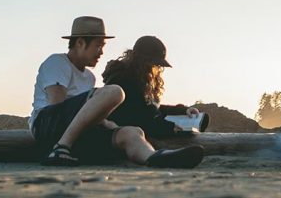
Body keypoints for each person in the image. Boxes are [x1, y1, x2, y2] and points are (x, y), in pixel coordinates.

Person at [28, 16, 204, 168]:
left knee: (132, 132)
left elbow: (85, 113)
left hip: (77, 135)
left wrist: (108, 125)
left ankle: (155, 158)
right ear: (80, 43)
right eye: (98, 46)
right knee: (115, 92)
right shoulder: (57, 63)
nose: (101, 52)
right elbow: (57, 107)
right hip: (47, 129)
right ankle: (60, 149)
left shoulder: (89, 77)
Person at [102, 36, 207, 139]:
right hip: (123, 137)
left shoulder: (138, 78)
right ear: (143, 61)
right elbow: (137, 119)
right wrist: (170, 128)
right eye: (155, 64)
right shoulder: (124, 80)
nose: (156, 69)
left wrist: (183, 110)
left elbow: (150, 109)